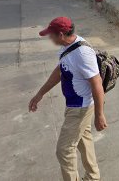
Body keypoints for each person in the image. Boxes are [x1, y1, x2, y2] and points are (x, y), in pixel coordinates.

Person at [29, 17, 107, 181]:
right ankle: (93, 177)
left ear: (62, 34)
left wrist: (100, 115)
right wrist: (40, 93)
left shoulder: (82, 53)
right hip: (74, 105)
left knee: (64, 150)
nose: (50, 38)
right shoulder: (68, 47)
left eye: (51, 35)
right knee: (83, 141)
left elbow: (97, 83)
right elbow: (60, 71)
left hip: (80, 107)